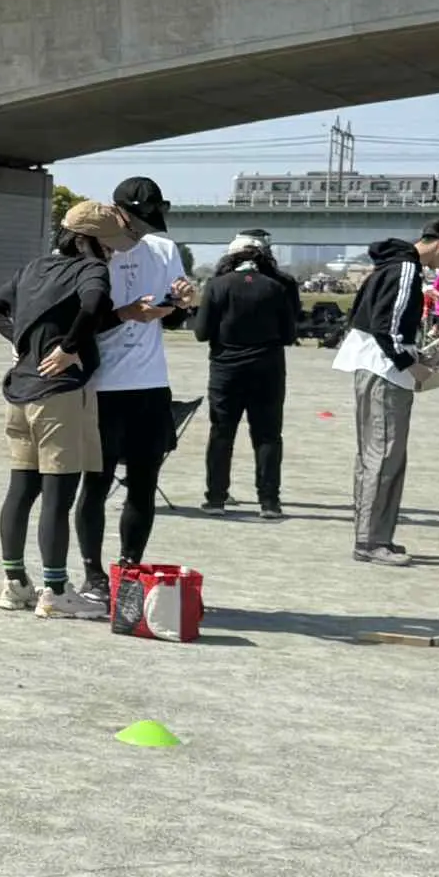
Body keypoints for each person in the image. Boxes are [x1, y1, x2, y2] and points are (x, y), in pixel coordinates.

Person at [0, 202, 133, 620]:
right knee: (58, 497)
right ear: (84, 240)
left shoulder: (35, 267)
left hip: (20, 393)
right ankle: (57, 590)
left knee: (20, 491)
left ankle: (14, 583)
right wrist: (69, 348)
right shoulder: (90, 269)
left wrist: (21, 341)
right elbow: (92, 304)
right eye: (107, 244)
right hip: (59, 395)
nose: (112, 253)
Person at [74, 177, 196, 605]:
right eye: (137, 223)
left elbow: (173, 319)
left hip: (151, 383)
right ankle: (92, 575)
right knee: (96, 484)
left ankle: (129, 568)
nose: (143, 232)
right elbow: (81, 321)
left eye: (150, 224)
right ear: (117, 213)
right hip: (102, 385)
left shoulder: (164, 249)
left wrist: (182, 302)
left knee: (144, 484)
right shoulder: (94, 250)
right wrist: (126, 313)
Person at [334, 219, 439, 566]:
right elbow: (388, 328)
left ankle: (375, 535)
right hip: (386, 372)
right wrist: (412, 364)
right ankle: (370, 541)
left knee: (375, 456)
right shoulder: (407, 269)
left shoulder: (390, 265)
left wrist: (416, 356)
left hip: (374, 366)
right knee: (383, 456)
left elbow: (376, 321)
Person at [194, 233, 300, 519]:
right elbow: (289, 335)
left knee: (222, 432)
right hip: (268, 368)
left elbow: (201, 332)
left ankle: (216, 497)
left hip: (226, 369)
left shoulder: (217, 285)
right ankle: (269, 501)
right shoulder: (276, 287)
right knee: (268, 435)